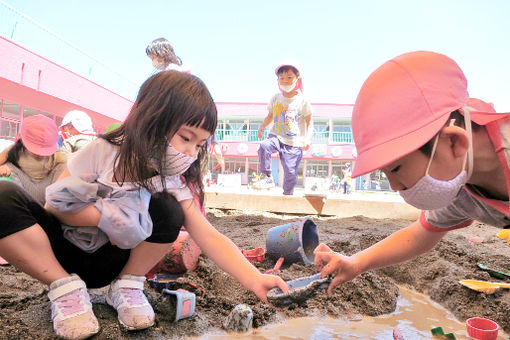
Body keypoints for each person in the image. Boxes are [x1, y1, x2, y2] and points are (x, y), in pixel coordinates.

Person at [0, 71, 288, 340]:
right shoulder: (102, 152)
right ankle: (64, 288)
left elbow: (208, 236)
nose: (190, 152)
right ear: (152, 121)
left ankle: (127, 286)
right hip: (63, 252)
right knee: (3, 195)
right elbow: (55, 208)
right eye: (186, 138)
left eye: (199, 145)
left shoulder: (173, 180)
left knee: (169, 209)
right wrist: (103, 216)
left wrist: (254, 279)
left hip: (116, 262)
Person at [313, 50, 510, 295]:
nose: (394, 185)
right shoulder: (459, 185)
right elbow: (420, 234)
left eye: (396, 169)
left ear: (454, 143)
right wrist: (356, 263)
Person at [254, 60, 313, 195]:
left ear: (297, 79)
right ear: (278, 80)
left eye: (289, 77)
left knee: (291, 172)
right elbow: (270, 115)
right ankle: (267, 177)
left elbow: (310, 121)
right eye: (282, 78)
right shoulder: (276, 98)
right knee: (264, 146)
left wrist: (307, 139)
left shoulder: (302, 101)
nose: (285, 81)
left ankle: (287, 195)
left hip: (294, 142)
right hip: (276, 136)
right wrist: (262, 126)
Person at [0, 114, 66, 205]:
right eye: (35, 150)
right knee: (6, 173)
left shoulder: (60, 161)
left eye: (45, 150)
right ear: (23, 141)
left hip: (50, 206)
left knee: (64, 169)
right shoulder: (11, 153)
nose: (40, 155)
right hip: (22, 205)